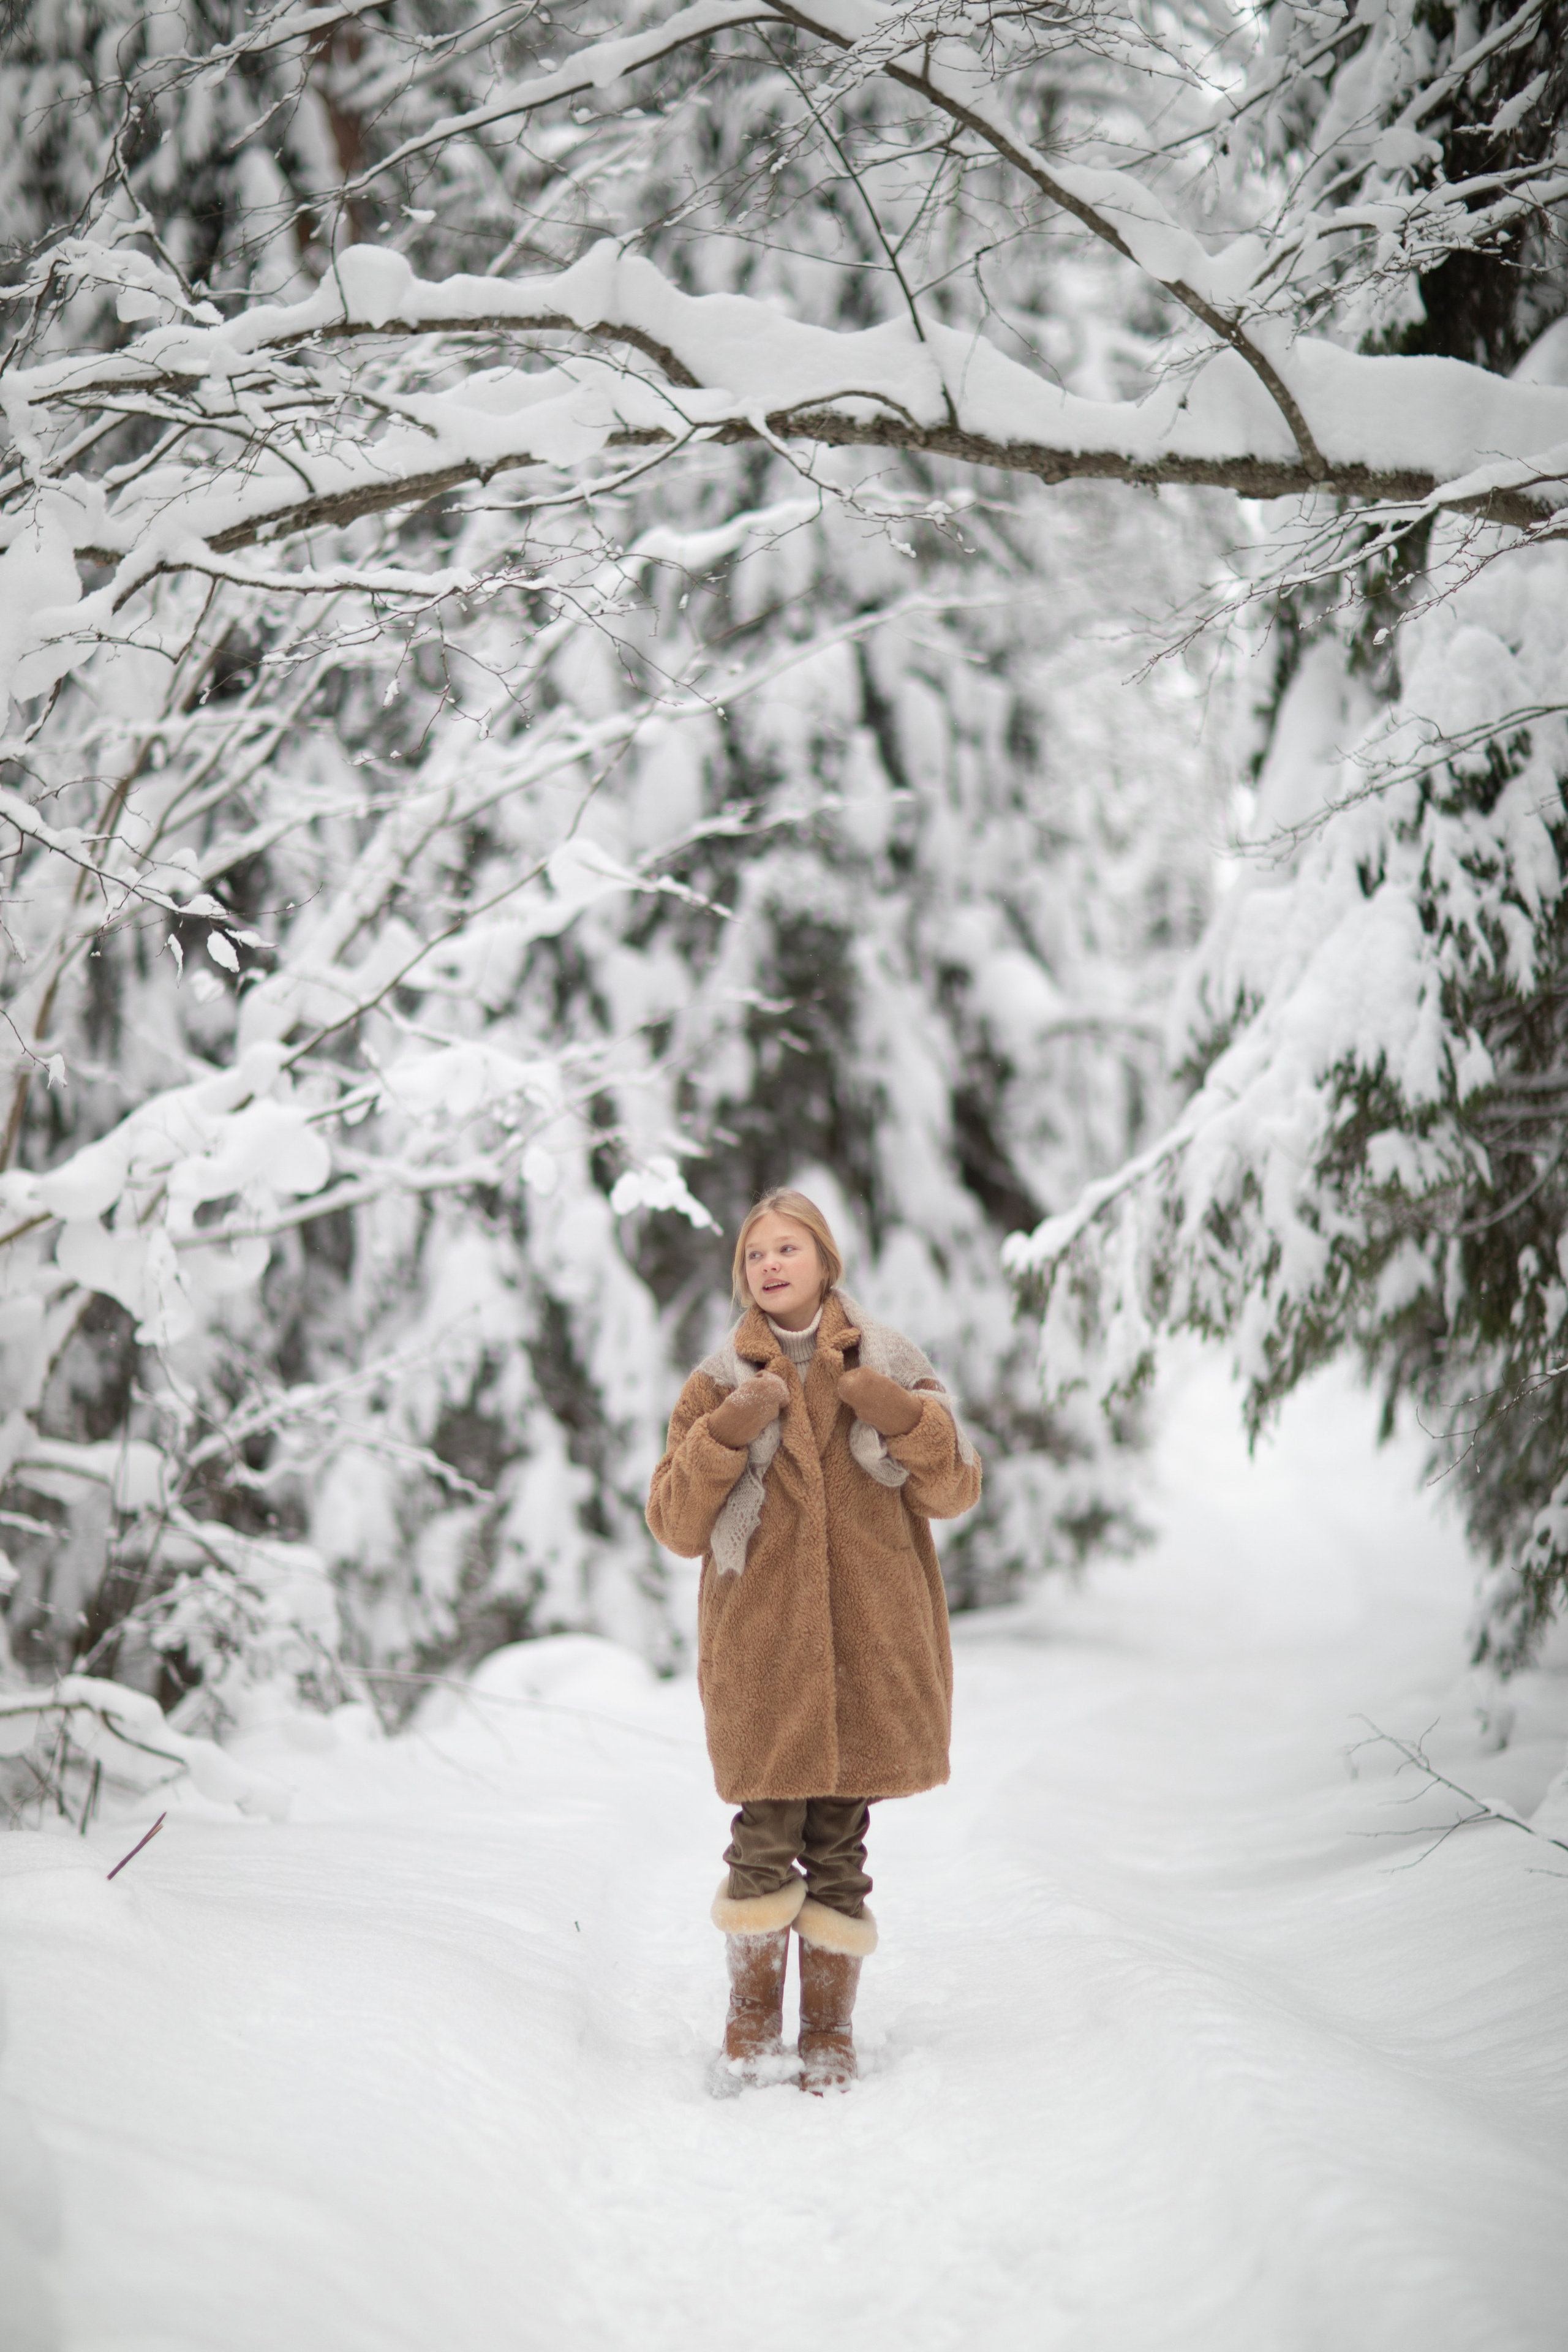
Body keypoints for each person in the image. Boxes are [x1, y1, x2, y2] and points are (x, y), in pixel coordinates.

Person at [646, 1189, 981, 2094]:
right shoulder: (716, 1381)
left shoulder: (893, 1360)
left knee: (841, 1839)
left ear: (826, 1262)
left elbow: (955, 1492)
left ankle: (828, 2030)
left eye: (788, 1248)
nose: (770, 1265)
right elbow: (676, 1523)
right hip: (763, 1649)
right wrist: (724, 1436)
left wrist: (905, 1417)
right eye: (756, 1254)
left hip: (869, 1636)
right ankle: (751, 2023)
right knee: (762, 1835)